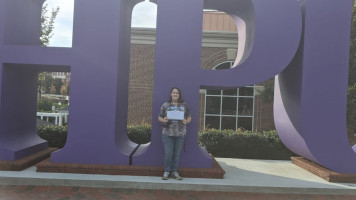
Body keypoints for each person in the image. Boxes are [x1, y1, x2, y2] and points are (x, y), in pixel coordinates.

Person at [158, 87, 191, 180]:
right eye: (174, 92)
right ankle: (167, 172)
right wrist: (163, 119)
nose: (175, 94)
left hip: (180, 133)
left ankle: (174, 172)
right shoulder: (165, 105)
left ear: (179, 95)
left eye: (177, 93)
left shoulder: (184, 106)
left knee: (176, 154)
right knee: (168, 153)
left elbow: (189, 117)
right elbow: (159, 117)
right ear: (171, 94)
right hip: (167, 133)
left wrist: (186, 121)